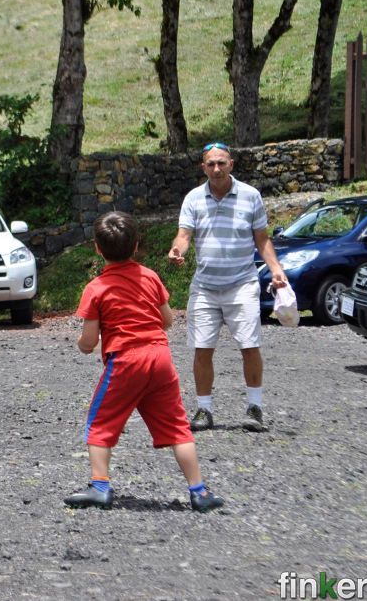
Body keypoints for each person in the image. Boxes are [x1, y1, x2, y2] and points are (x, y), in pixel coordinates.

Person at [64, 211, 224, 513]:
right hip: (160, 358)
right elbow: (167, 320)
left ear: (97, 248)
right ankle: (199, 491)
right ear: (136, 245)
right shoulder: (150, 277)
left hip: (126, 362)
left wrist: (84, 345)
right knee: (177, 427)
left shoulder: (96, 288)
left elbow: (89, 340)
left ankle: (100, 487)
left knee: (99, 421)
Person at [167, 142, 287, 433]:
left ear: (231, 164)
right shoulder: (193, 198)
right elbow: (184, 235)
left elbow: (262, 238)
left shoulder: (250, 195)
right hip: (205, 287)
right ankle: (204, 409)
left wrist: (276, 269)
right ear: (203, 167)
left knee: (250, 345)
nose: (216, 169)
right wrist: (177, 250)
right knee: (202, 348)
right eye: (211, 164)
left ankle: (254, 408)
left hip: (242, 284)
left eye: (221, 163)